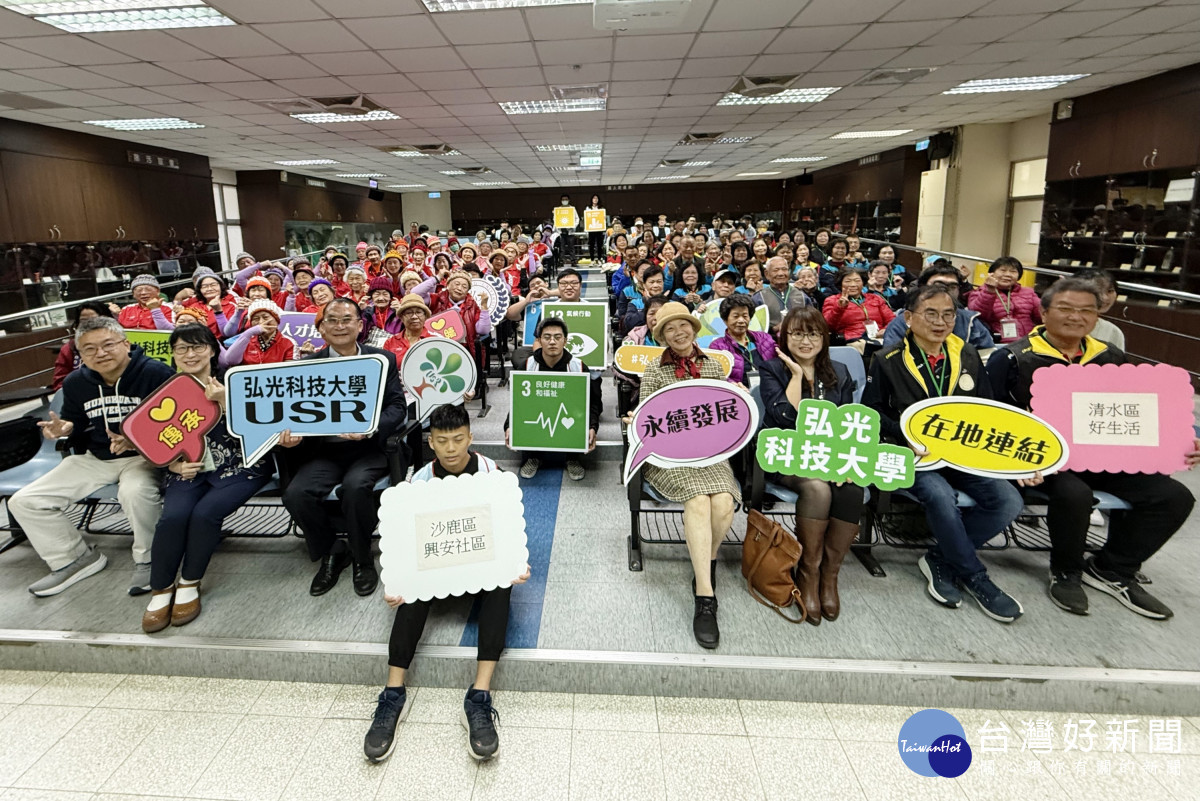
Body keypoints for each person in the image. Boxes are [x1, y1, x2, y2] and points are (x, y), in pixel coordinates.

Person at [987, 277, 1197, 619]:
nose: (1076, 317)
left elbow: (1137, 411)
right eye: (1066, 309)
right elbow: (989, 415)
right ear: (1043, 311)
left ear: (1098, 315)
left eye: (1087, 310)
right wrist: (1017, 461)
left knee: (1173, 496)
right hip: (1042, 463)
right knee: (1075, 494)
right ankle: (1066, 571)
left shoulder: (1111, 357)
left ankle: (1112, 568)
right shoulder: (1012, 358)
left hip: (1104, 455)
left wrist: (1179, 439)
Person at [364, 404, 530, 763]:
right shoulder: (418, 482)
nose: (452, 448)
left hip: (479, 565)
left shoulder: (491, 472)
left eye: (458, 439)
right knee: (410, 590)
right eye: (443, 441)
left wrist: (517, 563)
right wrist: (394, 581)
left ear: (471, 437)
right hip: (439, 568)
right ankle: (393, 693)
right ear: (431, 443)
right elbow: (403, 541)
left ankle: (479, 696)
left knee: (503, 583)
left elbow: (507, 527)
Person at [864, 284, 1031, 623]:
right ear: (909, 318)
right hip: (912, 455)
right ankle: (975, 576)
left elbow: (985, 408)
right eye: (930, 314)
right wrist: (903, 435)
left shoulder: (966, 353)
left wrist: (1014, 459)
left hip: (961, 453)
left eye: (948, 314)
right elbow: (872, 411)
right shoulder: (888, 359)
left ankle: (942, 558)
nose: (940, 322)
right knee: (940, 496)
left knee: (1008, 500)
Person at [11, 317, 175, 597]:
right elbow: (72, 422)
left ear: (126, 344)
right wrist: (65, 428)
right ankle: (73, 558)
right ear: (81, 355)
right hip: (95, 458)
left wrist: (137, 440)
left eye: (108, 344)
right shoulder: (76, 383)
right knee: (25, 501)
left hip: (143, 457)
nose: (100, 353)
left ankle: (149, 558)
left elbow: (175, 424)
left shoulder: (156, 373)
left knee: (135, 492)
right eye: (89, 349)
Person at [141, 326, 274, 632]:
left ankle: (189, 582)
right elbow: (152, 437)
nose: (190, 354)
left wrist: (227, 400)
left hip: (242, 465)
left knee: (205, 513)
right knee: (173, 516)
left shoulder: (238, 380)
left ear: (213, 350)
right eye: (182, 349)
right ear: (173, 355)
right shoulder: (165, 391)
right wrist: (173, 466)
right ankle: (161, 588)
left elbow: (265, 426)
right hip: (189, 468)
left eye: (198, 347)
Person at [280, 298, 409, 598]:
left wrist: (371, 428)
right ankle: (333, 550)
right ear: (321, 328)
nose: (340, 326)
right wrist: (291, 434)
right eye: (332, 320)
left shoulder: (382, 359)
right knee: (295, 494)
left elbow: (397, 407)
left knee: (354, 488)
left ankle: (363, 559)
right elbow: (293, 414)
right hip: (324, 451)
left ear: (359, 325)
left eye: (346, 319)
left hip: (369, 449)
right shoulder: (306, 366)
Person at [635, 302, 739, 648]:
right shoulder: (654, 370)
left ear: (694, 329)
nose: (679, 333)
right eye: (670, 329)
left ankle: (704, 563)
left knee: (724, 502)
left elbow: (726, 416)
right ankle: (705, 596)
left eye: (684, 326)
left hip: (711, 453)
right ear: (662, 336)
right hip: (671, 456)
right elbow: (649, 421)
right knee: (697, 500)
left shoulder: (713, 365)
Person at [759, 307, 862, 624]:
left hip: (828, 453)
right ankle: (808, 571)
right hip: (786, 453)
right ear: (785, 337)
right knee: (817, 488)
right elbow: (783, 419)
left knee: (851, 487)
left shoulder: (840, 372)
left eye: (813, 333)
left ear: (824, 337)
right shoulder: (772, 368)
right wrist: (796, 376)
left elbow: (846, 423)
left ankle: (829, 576)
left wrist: (845, 460)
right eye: (797, 333)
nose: (805, 341)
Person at [506, 317, 599, 481]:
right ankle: (532, 456)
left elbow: (593, 403)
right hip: (538, 413)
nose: (552, 342)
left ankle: (573, 457)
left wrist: (592, 426)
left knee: (574, 415)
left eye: (557, 337)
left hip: (568, 413)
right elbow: (517, 403)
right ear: (539, 340)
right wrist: (509, 426)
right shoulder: (527, 366)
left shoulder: (578, 366)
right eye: (547, 337)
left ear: (565, 340)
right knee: (530, 414)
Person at [882, 263, 994, 351]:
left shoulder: (970, 322)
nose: (945, 290)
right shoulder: (904, 321)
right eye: (939, 285)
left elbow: (986, 359)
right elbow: (891, 364)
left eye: (953, 286)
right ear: (922, 287)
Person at [968, 256, 1041, 343]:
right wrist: (989, 291)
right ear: (992, 273)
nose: (1008, 274)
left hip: (1028, 341)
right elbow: (978, 315)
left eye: (1013, 271)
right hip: (997, 343)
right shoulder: (979, 292)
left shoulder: (1028, 293)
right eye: (1003, 270)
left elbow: (1043, 315)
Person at [709, 294, 776, 387]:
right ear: (725, 320)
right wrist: (733, 385)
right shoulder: (717, 346)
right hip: (741, 394)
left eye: (745, 316)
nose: (741, 320)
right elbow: (717, 375)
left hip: (770, 390)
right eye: (736, 316)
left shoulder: (765, 338)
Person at [52, 301, 112, 391]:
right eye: (84, 321)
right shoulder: (69, 349)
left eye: (95, 320)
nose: (89, 325)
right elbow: (60, 382)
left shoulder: (119, 344)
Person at [221, 300, 293, 367]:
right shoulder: (246, 340)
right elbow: (230, 360)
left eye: (265, 317)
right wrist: (248, 333)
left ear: (277, 320)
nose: (261, 322)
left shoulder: (288, 343)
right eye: (256, 319)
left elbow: (289, 371)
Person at [1075, 268, 1125, 349]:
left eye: (1110, 291)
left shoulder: (1114, 332)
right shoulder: (1057, 324)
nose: (1105, 298)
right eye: (1098, 291)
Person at [761, 256, 812, 333]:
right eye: (776, 270)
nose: (781, 273)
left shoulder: (802, 296)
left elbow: (812, 322)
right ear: (767, 274)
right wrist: (774, 329)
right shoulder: (759, 298)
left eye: (784, 269)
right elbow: (754, 329)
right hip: (770, 341)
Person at [585, 194, 605, 262]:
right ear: (591, 199)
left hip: (599, 229)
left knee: (599, 245)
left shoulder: (601, 208)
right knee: (591, 245)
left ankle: (599, 259)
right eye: (594, 198)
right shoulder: (588, 208)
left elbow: (603, 218)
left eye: (596, 198)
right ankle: (592, 260)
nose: (595, 199)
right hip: (591, 229)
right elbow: (586, 218)